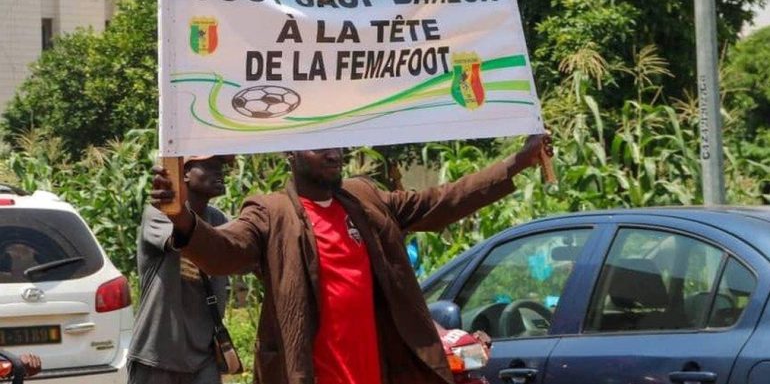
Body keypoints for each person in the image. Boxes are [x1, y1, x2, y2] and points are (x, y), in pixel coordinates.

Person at [152, 134, 552, 384]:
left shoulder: (365, 199)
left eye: (337, 143)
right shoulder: (271, 211)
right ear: (292, 152)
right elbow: (226, 252)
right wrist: (183, 219)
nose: (333, 153)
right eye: (320, 145)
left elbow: (441, 202)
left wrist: (517, 162)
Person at [128, 155, 233, 384]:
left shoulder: (218, 219)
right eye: (210, 167)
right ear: (184, 173)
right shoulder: (159, 213)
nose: (220, 173)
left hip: (203, 355)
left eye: (221, 167)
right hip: (158, 354)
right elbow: (183, 237)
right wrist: (176, 209)